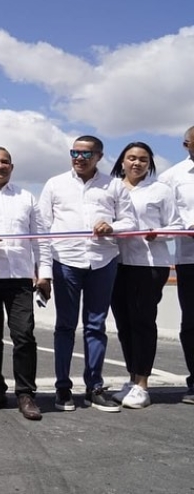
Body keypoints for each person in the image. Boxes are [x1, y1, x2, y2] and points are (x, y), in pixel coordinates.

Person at [39, 135, 136, 412]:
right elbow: (42, 229)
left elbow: (130, 221)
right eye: (75, 153)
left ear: (99, 157)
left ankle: (94, 387)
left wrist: (112, 227)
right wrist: (43, 272)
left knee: (96, 326)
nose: (79, 158)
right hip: (65, 261)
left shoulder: (114, 185)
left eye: (86, 154)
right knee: (65, 326)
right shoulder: (54, 184)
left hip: (103, 261)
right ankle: (62, 388)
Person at [0, 147, 50, 421]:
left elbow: (40, 239)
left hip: (20, 278)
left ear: (12, 167)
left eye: (5, 162)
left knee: (24, 336)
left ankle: (25, 394)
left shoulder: (27, 197)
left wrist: (44, 274)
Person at [109, 142, 182, 409]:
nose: (137, 163)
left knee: (142, 322)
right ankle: (131, 380)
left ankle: (143, 384)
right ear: (122, 161)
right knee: (124, 323)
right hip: (116, 263)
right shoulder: (111, 187)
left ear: (149, 164)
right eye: (131, 158)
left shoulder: (160, 190)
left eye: (143, 159)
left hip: (149, 264)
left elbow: (177, 225)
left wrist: (157, 234)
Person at [158, 125, 194, 404]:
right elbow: (164, 219)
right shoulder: (171, 177)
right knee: (191, 322)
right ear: (186, 145)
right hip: (189, 258)